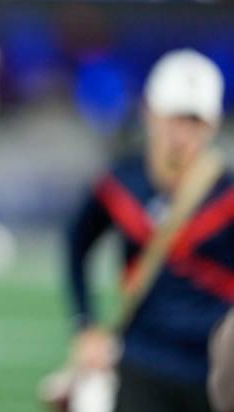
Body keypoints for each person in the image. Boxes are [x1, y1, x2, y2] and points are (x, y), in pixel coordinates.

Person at [65, 48, 233, 412]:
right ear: (149, 113)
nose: (181, 134)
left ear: (213, 124)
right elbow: (77, 243)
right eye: (173, 118)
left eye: (194, 122)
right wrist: (86, 325)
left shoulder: (228, 193)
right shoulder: (122, 182)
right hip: (142, 360)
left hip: (217, 367)